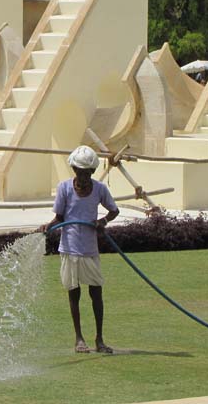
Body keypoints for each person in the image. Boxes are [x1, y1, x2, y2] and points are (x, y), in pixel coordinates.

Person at [41, 145, 119, 354]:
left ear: (92, 172)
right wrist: (48, 227)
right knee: (74, 295)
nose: (83, 177)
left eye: (86, 173)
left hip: (89, 248)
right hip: (69, 248)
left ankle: (99, 339)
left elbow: (114, 210)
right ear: (74, 170)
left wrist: (102, 221)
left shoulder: (100, 189)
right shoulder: (64, 188)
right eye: (79, 172)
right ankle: (79, 339)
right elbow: (60, 217)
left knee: (96, 293)